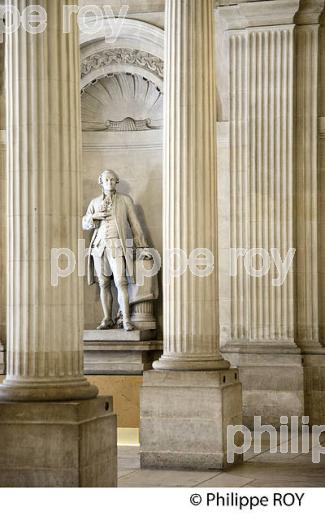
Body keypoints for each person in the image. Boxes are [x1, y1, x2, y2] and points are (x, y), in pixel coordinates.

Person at [82, 169, 152, 331]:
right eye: (106, 180)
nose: (110, 182)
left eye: (113, 180)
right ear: (101, 182)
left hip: (117, 245)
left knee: (121, 281)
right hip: (99, 246)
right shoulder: (94, 202)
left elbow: (135, 224)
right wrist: (94, 216)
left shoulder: (125, 200)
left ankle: (126, 319)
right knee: (103, 283)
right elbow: (85, 223)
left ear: (116, 182)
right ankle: (107, 318)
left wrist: (141, 246)